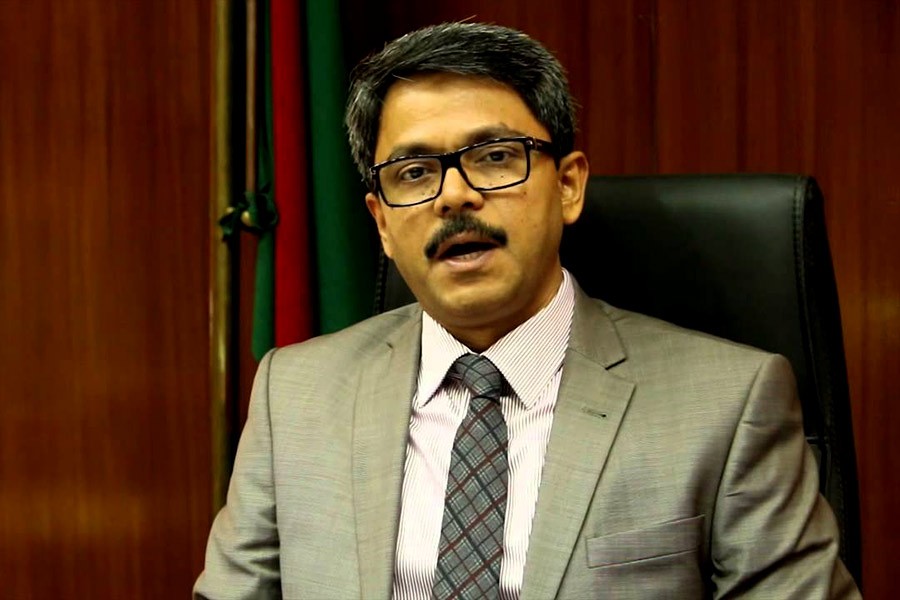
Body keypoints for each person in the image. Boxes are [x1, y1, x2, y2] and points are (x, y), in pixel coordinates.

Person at [194, 22, 860, 599]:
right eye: (415, 173)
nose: (453, 197)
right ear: (382, 223)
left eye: (493, 158)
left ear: (568, 186)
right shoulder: (295, 396)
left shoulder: (728, 404)